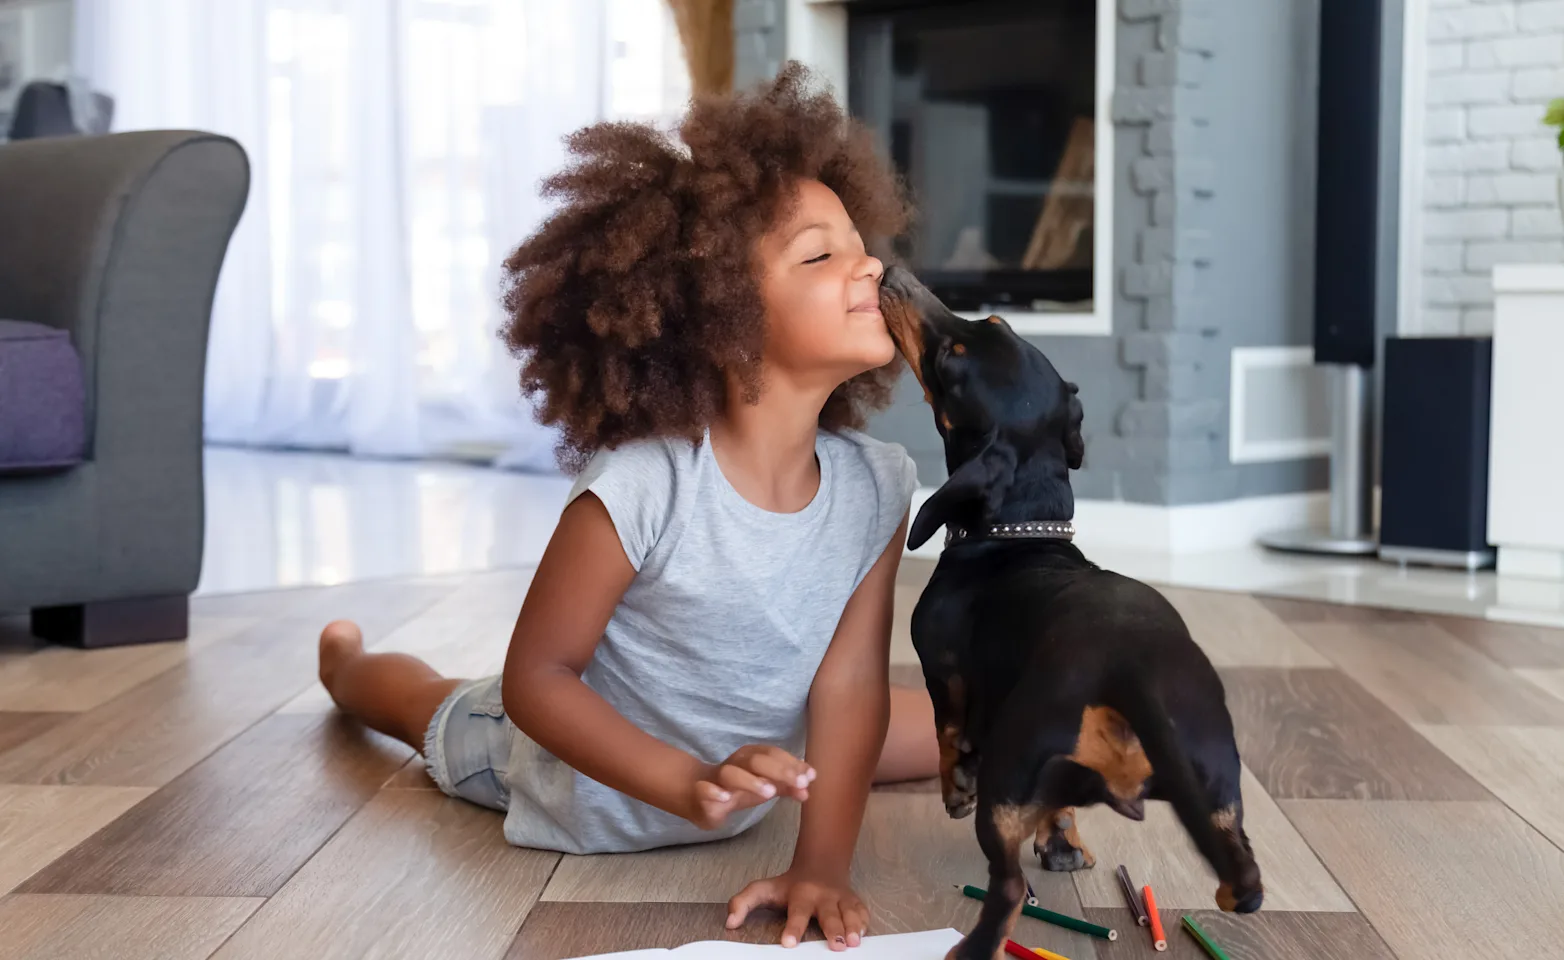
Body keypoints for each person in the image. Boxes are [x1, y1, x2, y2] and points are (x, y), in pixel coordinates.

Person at [316, 61, 938, 952]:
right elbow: (538, 680)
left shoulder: (878, 482)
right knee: (428, 705)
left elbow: (846, 687)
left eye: (858, 242)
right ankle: (345, 662)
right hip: (570, 778)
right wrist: (684, 781)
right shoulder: (645, 482)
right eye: (820, 253)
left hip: (752, 760)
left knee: (933, 723)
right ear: (720, 317)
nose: (870, 264)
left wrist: (822, 867)